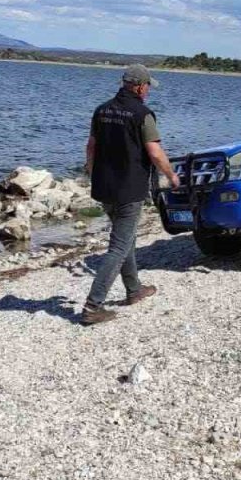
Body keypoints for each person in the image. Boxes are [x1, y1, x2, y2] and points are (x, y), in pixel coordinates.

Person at [82, 64, 181, 325]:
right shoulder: (142, 114)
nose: (148, 90)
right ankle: (93, 306)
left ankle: (134, 289)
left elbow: (91, 148)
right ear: (138, 86)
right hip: (130, 189)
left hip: (104, 188)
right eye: (147, 86)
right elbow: (156, 153)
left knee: (125, 239)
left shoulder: (101, 110)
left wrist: (93, 174)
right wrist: (171, 176)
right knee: (119, 246)